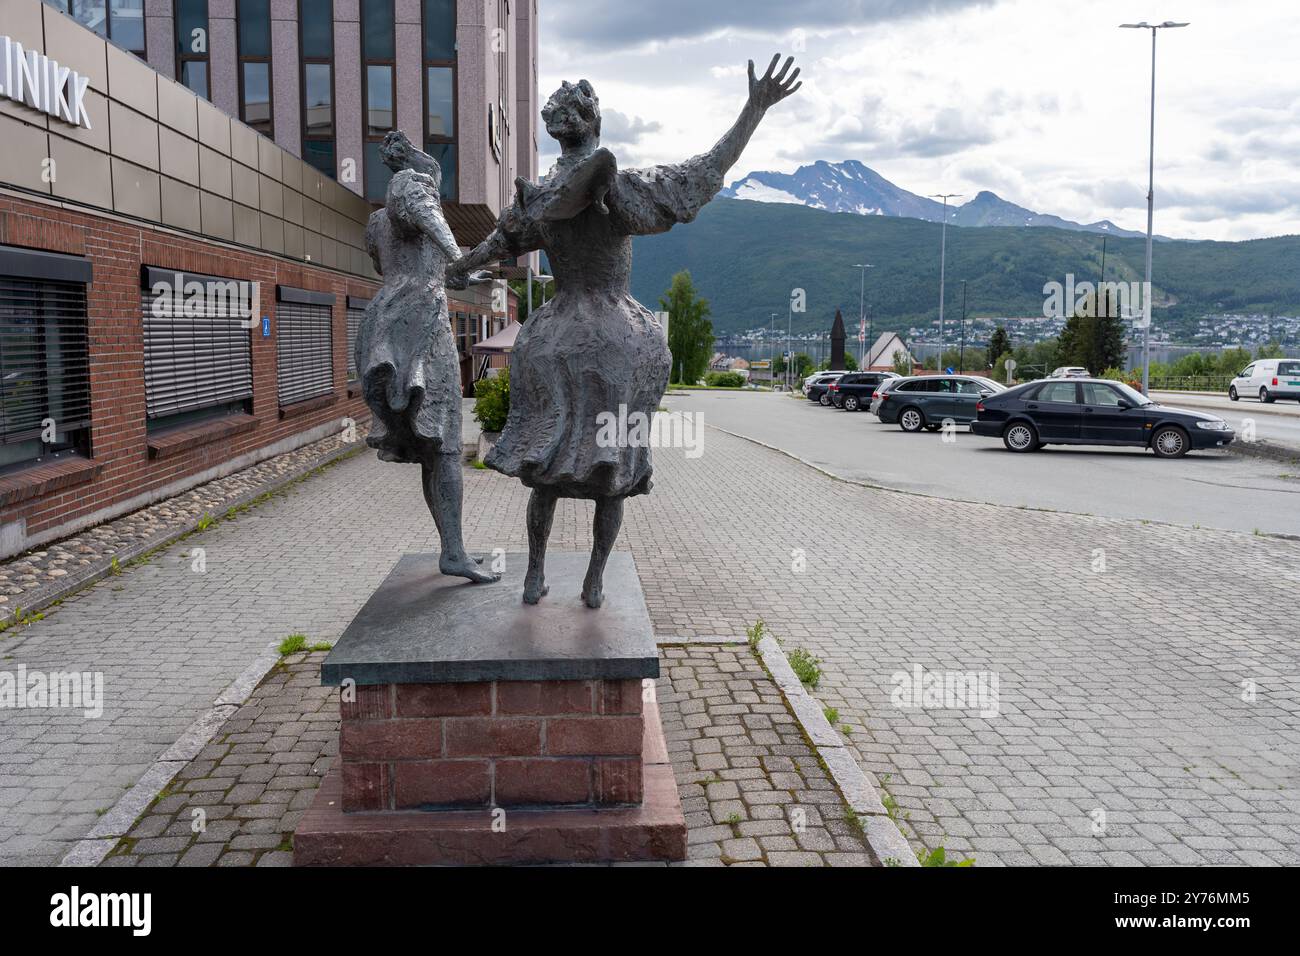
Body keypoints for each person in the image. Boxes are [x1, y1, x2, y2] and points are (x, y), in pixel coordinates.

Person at [448, 56, 801, 608]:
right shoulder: (618, 188)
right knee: (613, 466)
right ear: (595, 123)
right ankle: (591, 580)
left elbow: (493, 248)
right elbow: (700, 177)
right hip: (618, 338)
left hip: (553, 336)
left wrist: (456, 266)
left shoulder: (540, 198)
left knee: (547, 464)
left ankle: (536, 575)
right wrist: (751, 113)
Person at [359, 131, 498, 584]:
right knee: (447, 445)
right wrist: (457, 254)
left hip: (392, 319)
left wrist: (459, 271)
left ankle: (452, 549)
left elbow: (407, 266)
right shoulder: (411, 187)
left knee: (436, 449)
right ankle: (453, 552)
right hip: (420, 325)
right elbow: (432, 233)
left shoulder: (376, 223)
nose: (436, 193)